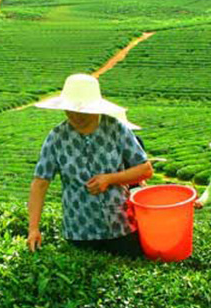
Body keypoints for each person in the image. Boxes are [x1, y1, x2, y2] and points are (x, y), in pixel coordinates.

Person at [27, 74, 153, 256]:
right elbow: (40, 183)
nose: (75, 116)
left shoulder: (116, 129)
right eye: (70, 110)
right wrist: (33, 228)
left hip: (120, 228)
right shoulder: (57, 137)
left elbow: (145, 169)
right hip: (79, 231)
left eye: (82, 111)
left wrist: (110, 179)